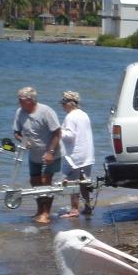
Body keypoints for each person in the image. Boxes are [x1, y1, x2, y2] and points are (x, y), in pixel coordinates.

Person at [13, 86, 62, 224]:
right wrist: (23, 140)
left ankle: (46, 213)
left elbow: (57, 133)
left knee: (46, 182)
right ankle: (40, 211)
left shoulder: (46, 111)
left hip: (52, 153)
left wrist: (50, 152)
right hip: (34, 155)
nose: (19, 102)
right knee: (35, 182)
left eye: (21, 100)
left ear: (31, 100)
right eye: (19, 99)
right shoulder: (19, 112)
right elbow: (16, 132)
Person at [58, 90, 95, 218]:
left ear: (70, 103)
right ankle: (88, 207)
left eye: (63, 102)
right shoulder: (84, 114)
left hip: (75, 155)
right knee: (84, 183)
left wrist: (58, 132)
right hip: (87, 154)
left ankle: (74, 210)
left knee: (73, 183)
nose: (62, 105)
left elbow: (70, 135)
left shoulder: (70, 116)